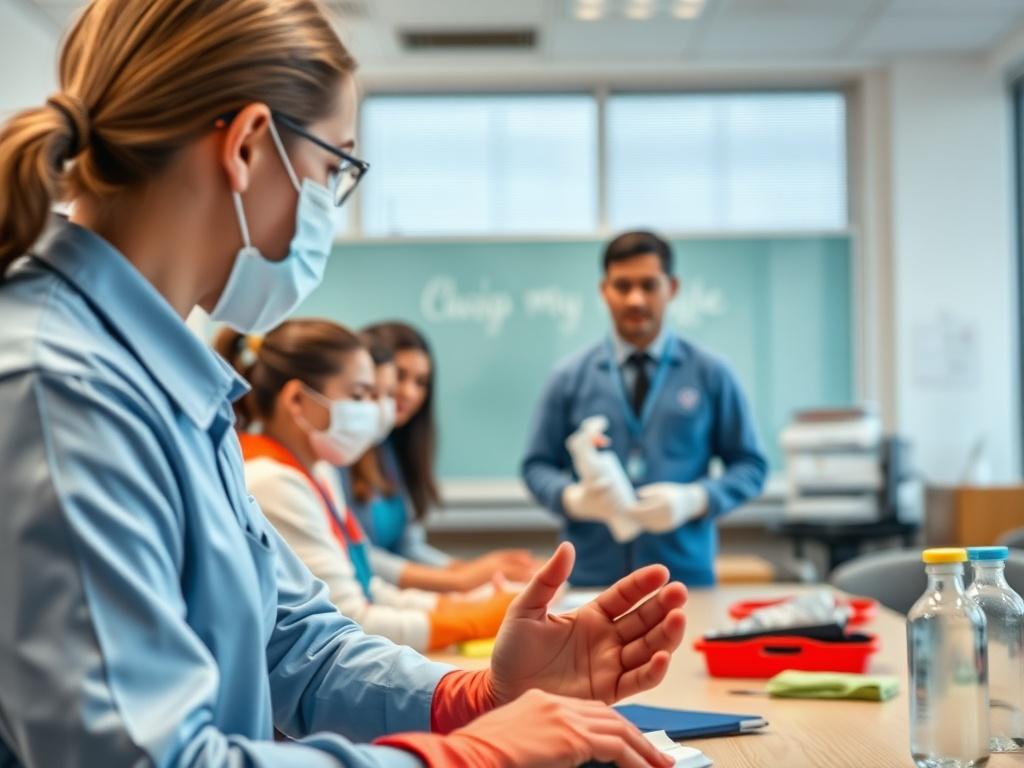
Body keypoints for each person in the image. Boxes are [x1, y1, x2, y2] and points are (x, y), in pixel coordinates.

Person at [0, 1, 688, 765]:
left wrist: (476, 700)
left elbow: (294, 643)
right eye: (334, 169)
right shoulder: (58, 390)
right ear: (249, 144)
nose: (330, 198)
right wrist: (465, 757)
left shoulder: (170, 383)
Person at [216, 320, 514, 652]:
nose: (373, 411)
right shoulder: (273, 482)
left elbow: (366, 586)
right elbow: (351, 619)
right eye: (359, 395)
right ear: (298, 401)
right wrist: (474, 618)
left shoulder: (317, 470)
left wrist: (466, 606)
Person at [522, 230, 768, 588]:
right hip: (591, 579)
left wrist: (695, 499)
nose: (636, 299)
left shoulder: (711, 373)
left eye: (649, 285)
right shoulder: (568, 377)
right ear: (604, 290)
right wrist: (572, 499)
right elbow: (536, 465)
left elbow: (751, 466)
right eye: (622, 286)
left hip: (683, 578)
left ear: (672, 288)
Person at [344, 321, 539, 591]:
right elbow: (353, 556)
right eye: (399, 377)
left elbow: (408, 547)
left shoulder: (391, 451)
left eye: (421, 382)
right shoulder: (337, 454)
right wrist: (461, 579)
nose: (409, 393)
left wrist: (479, 570)